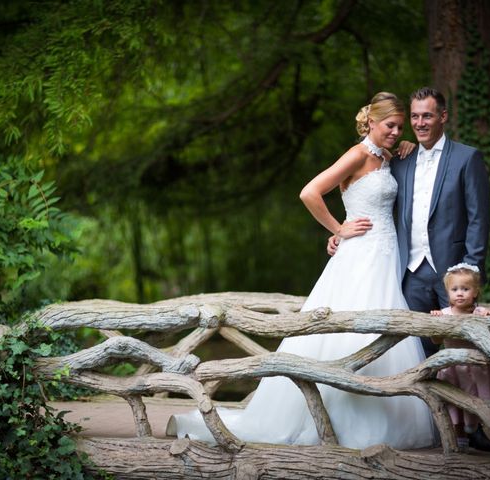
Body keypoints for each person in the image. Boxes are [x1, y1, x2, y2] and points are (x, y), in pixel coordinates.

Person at [167, 92, 436, 449]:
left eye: (400, 126)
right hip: (360, 258)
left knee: (383, 332)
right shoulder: (356, 155)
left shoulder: (387, 156)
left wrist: (401, 144)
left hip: (385, 257)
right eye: (391, 125)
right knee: (346, 331)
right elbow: (310, 192)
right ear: (370, 122)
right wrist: (338, 229)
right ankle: (332, 416)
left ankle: (383, 417)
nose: (396, 131)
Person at [328, 87, 490, 358]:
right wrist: (339, 232)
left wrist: (469, 270)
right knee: (413, 353)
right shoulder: (400, 161)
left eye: (427, 116)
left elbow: (478, 219)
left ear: (443, 117)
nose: (419, 123)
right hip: (407, 274)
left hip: (454, 274)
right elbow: (373, 201)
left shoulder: (467, 158)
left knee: (464, 351)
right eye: (415, 117)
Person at [432, 263, 490, 452]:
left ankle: (475, 431)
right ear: (448, 292)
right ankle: (460, 441)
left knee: (477, 400)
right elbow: (435, 340)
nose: (460, 293)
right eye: (455, 289)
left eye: (465, 289)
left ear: (475, 292)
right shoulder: (444, 314)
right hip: (453, 367)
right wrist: (435, 322)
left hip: (477, 368)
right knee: (454, 402)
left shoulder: (479, 312)